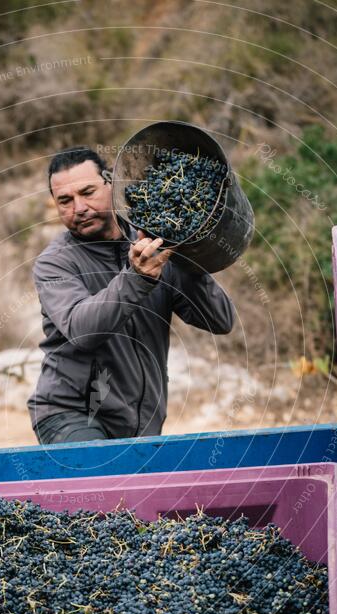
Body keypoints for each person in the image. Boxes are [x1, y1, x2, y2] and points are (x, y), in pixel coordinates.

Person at [27, 146, 235, 445]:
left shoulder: (154, 245)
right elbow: (82, 329)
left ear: (111, 182)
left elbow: (220, 320)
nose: (79, 208)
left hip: (141, 419)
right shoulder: (55, 264)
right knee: (100, 482)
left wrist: (188, 254)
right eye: (65, 200)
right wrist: (137, 277)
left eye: (88, 192)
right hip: (70, 414)